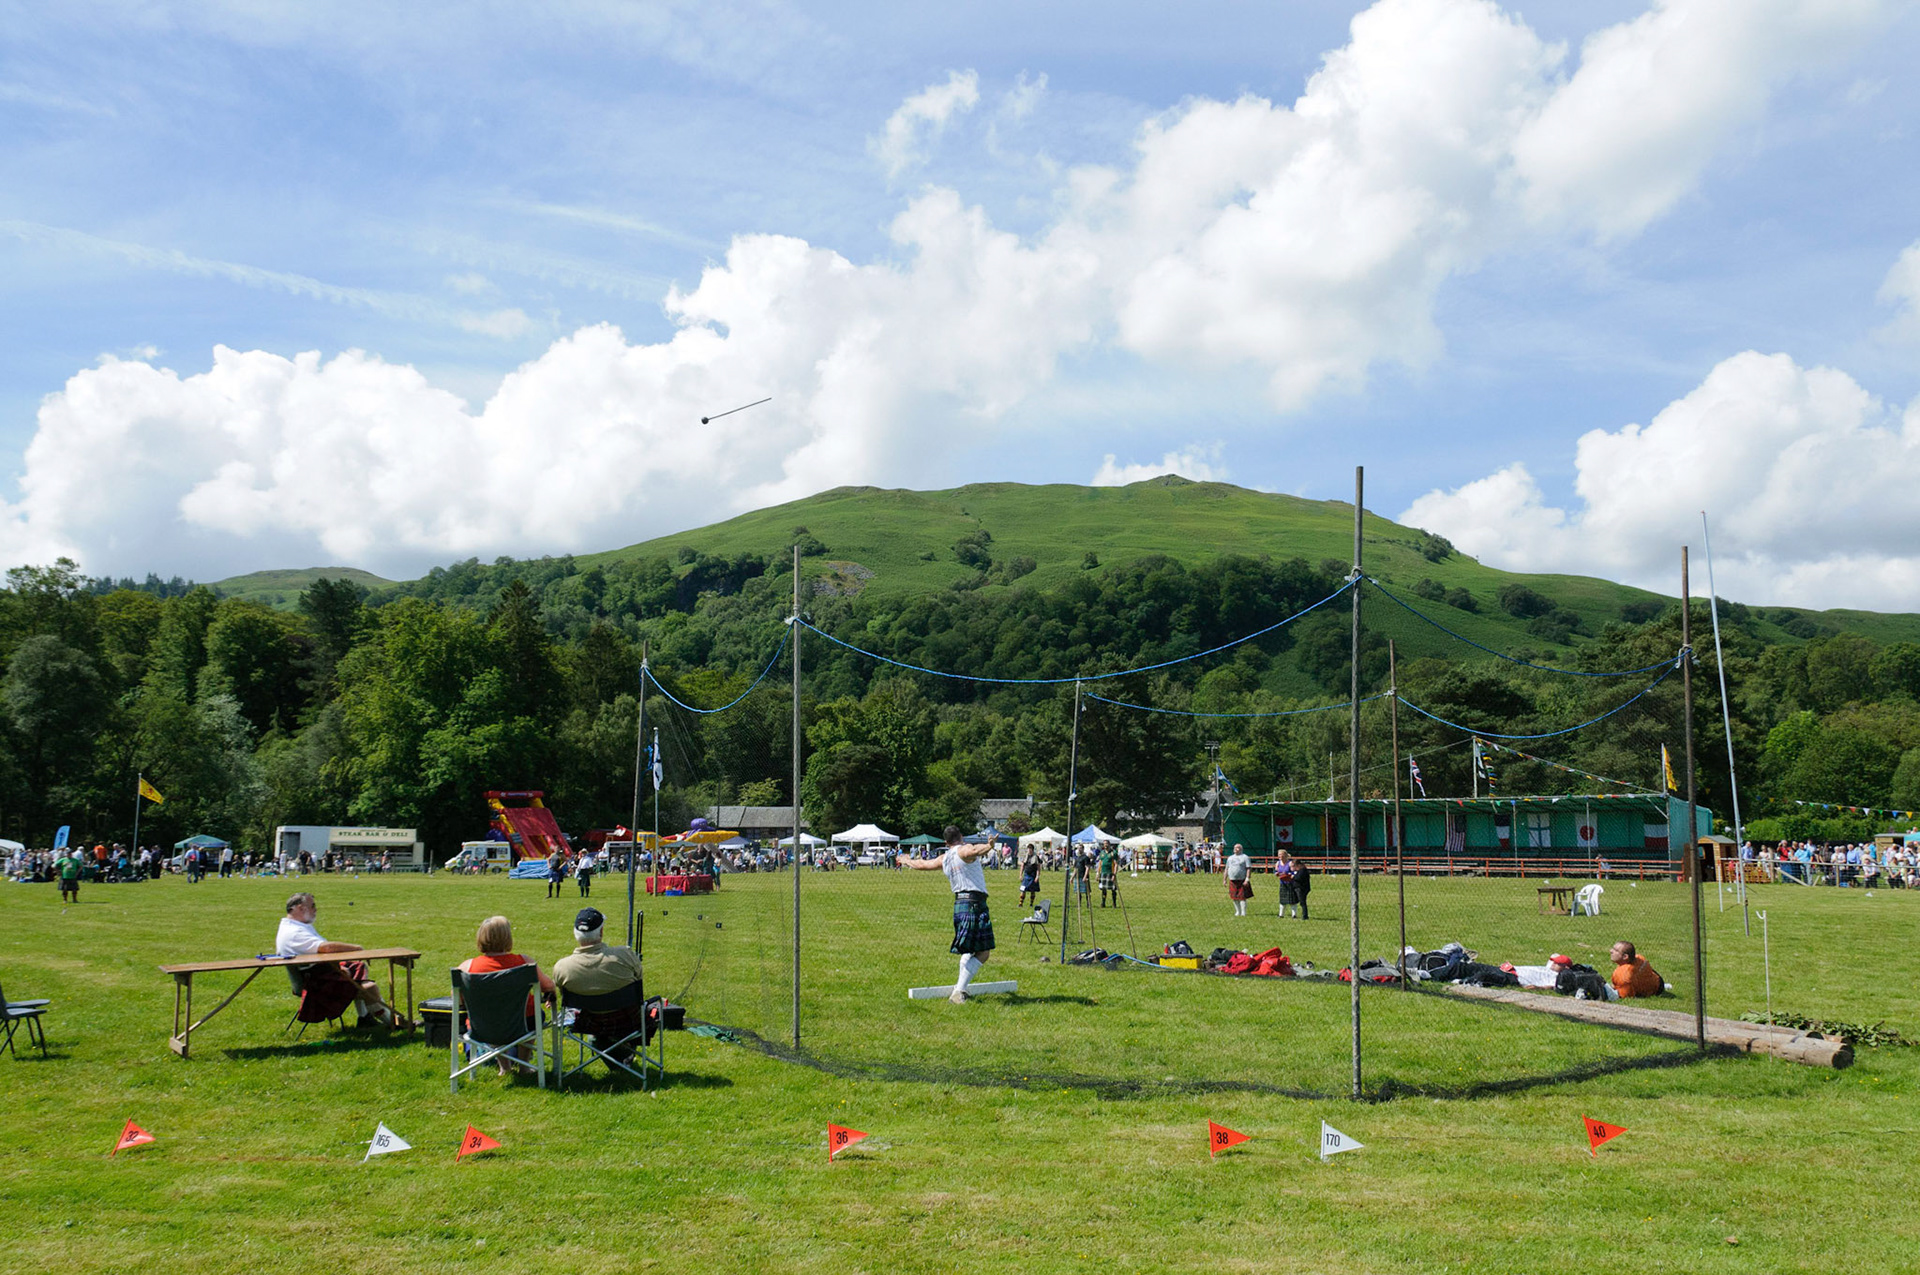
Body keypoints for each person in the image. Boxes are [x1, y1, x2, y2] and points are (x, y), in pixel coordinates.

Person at [275, 892, 411, 1029]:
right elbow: (326, 948)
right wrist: (357, 949)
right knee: (369, 988)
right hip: (315, 983)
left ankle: (364, 1018)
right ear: (300, 908)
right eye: (312, 906)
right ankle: (393, 1024)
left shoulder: (295, 926)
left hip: (317, 974)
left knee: (357, 967)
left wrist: (339, 967)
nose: (315, 909)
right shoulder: (294, 932)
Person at [898, 825, 995, 1004]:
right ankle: (959, 991)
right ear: (961, 837)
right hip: (974, 904)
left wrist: (905, 860)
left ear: (946, 842)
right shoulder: (963, 850)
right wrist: (988, 846)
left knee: (970, 949)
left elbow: (922, 864)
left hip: (960, 904)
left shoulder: (945, 858)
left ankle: (961, 988)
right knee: (983, 952)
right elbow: (973, 850)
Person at [458, 916, 556, 1070]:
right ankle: (524, 1066)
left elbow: (458, 1000)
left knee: (494, 1014)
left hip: (483, 1026)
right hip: (522, 1024)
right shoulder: (524, 963)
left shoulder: (466, 967)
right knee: (531, 1015)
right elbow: (548, 986)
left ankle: (505, 1067)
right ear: (508, 937)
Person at [552, 906, 647, 1061]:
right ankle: (621, 1055)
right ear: (601, 932)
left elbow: (566, 998)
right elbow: (639, 980)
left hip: (588, 1022)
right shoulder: (625, 955)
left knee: (598, 1033)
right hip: (629, 1020)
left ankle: (615, 1053)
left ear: (575, 934)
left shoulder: (562, 968)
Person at [1224, 843, 1252, 916]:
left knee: (1242, 897)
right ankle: (1238, 911)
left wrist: (1247, 879)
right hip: (1232, 879)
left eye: (1237, 847)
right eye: (1234, 847)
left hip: (1242, 879)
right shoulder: (1230, 858)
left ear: (1241, 849)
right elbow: (1226, 869)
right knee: (1234, 897)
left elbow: (1248, 869)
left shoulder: (1245, 857)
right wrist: (1224, 880)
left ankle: (1243, 912)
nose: (1235, 849)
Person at [1274, 849, 1301, 919]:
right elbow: (1276, 871)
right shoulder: (1277, 863)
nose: (1280, 856)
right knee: (1282, 900)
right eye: (1279, 855)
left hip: (1290, 883)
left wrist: (1291, 875)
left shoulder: (1290, 863)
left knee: (1292, 900)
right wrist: (1276, 874)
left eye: (1281, 854)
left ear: (1285, 855)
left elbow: (1295, 872)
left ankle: (1294, 915)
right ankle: (1281, 915)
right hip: (1283, 883)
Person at [1018, 842, 1041, 908]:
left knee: (1032, 891)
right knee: (1023, 889)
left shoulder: (1036, 857)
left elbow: (1038, 868)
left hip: (1033, 876)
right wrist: (1020, 875)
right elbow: (1022, 866)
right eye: (1028, 848)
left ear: (1032, 850)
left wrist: (1037, 876)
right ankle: (1020, 903)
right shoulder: (1025, 856)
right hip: (1026, 875)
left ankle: (1031, 904)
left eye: (1030, 848)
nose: (1029, 850)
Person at [1096, 841, 1119, 908]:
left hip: (1111, 873)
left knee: (1113, 889)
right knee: (1103, 888)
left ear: (1109, 844)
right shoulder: (1102, 853)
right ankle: (1103, 903)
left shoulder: (1113, 853)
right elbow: (1100, 863)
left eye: (1107, 844)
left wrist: (1114, 874)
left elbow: (1116, 864)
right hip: (1103, 873)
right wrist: (1098, 873)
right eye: (1104, 844)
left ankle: (1114, 903)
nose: (1105, 845)